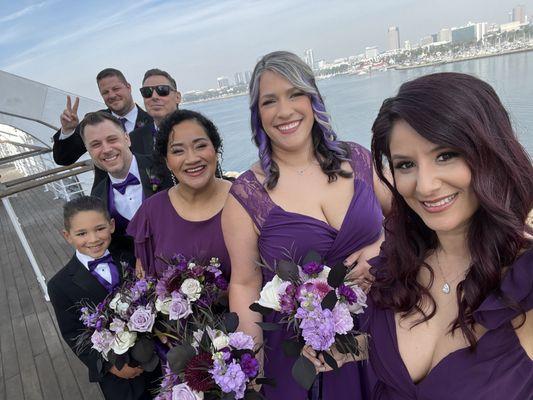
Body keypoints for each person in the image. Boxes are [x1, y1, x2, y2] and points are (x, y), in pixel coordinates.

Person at [221, 51, 391, 400]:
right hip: (308, 357)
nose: (285, 111)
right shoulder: (246, 197)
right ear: (258, 115)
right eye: (270, 101)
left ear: (313, 99)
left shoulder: (358, 159)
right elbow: (243, 284)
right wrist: (253, 373)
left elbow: (408, 215)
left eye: (295, 94)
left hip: (385, 327)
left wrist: (383, 244)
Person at [362, 72, 533, 399]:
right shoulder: (397, 265)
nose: (424, 185)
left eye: (445, 155)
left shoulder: (525, 282)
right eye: (406, 165)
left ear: (489, 150)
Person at [47, 196, 160, 399]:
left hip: (156, 359)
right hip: (121, 380)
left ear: (112, 225)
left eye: (100, 228)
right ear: (67, 236)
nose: (93, 239)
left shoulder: (129, 258)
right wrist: (111, 367)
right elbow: (73, 334)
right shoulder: (59, 285)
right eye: (81, 233)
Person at [127, 109, 231, 280]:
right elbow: (145, 282)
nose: (192, 159)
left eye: (201, 146)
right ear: (167, 161)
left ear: (216, 149)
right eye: (177, 151)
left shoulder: (244, 199)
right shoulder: (152, 211)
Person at [78, 111, 172, 255]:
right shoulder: (96, 197)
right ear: (88, 151)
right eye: (96, 145)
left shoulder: (165, 166)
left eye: (112, 139)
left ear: (127, 138)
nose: (107, 149)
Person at [52, 68, 153, 186]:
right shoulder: (93, 123)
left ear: (128, 87)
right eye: (105, 92)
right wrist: (67, 130)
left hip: (152, 193)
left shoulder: (153, 122)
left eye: (116, 89)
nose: (112, 95)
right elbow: (63, 159)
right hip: (108, 198)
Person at [129, 69, 182, 156]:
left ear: (177, 97)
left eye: (162, 90)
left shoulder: (198, 130)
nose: (154, 97)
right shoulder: (135, 139)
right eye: (147, 92)